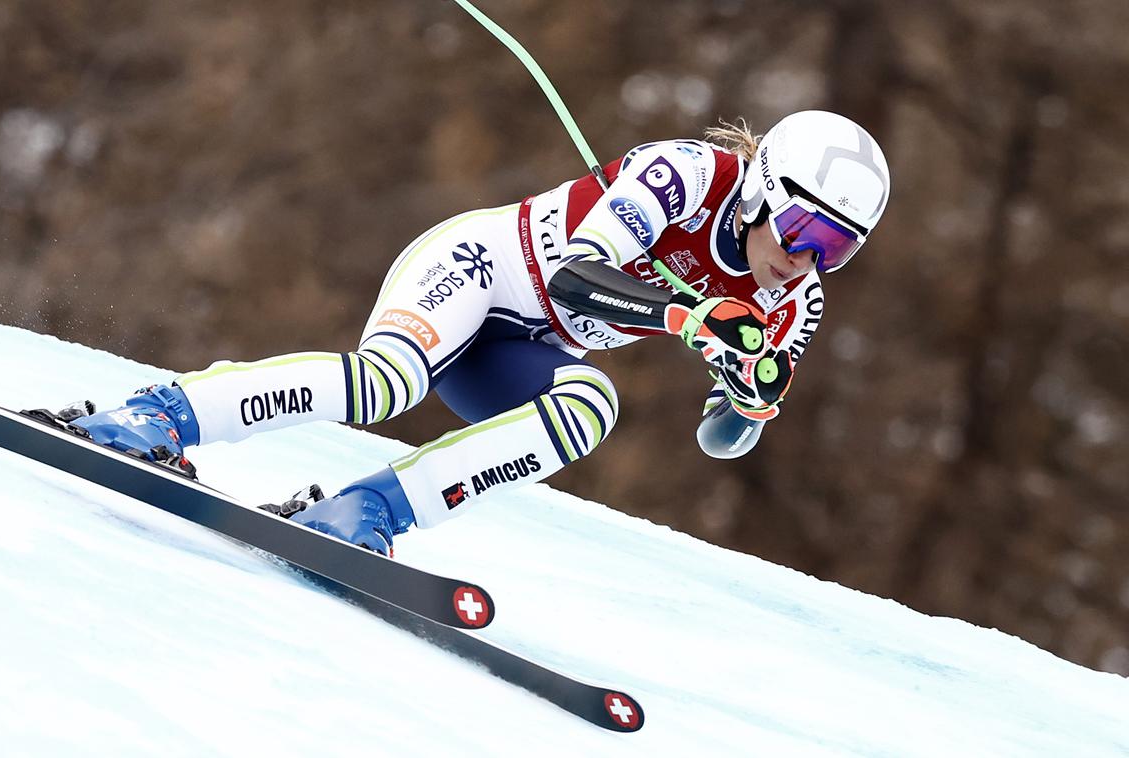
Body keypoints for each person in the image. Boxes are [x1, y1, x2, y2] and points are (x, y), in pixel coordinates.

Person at [67, 110, 891, 556]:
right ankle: (159, 416)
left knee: (590, 407)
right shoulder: (684, 175)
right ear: (756, 192)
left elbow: (723, 444)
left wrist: (747, 399)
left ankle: (368, 513)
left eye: (836, 249)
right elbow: (575, 276)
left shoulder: (798, 301)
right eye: (801, 230)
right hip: (481, 269)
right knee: (384, 383)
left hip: (521, 351)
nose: (805, 259)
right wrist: (691, 317)